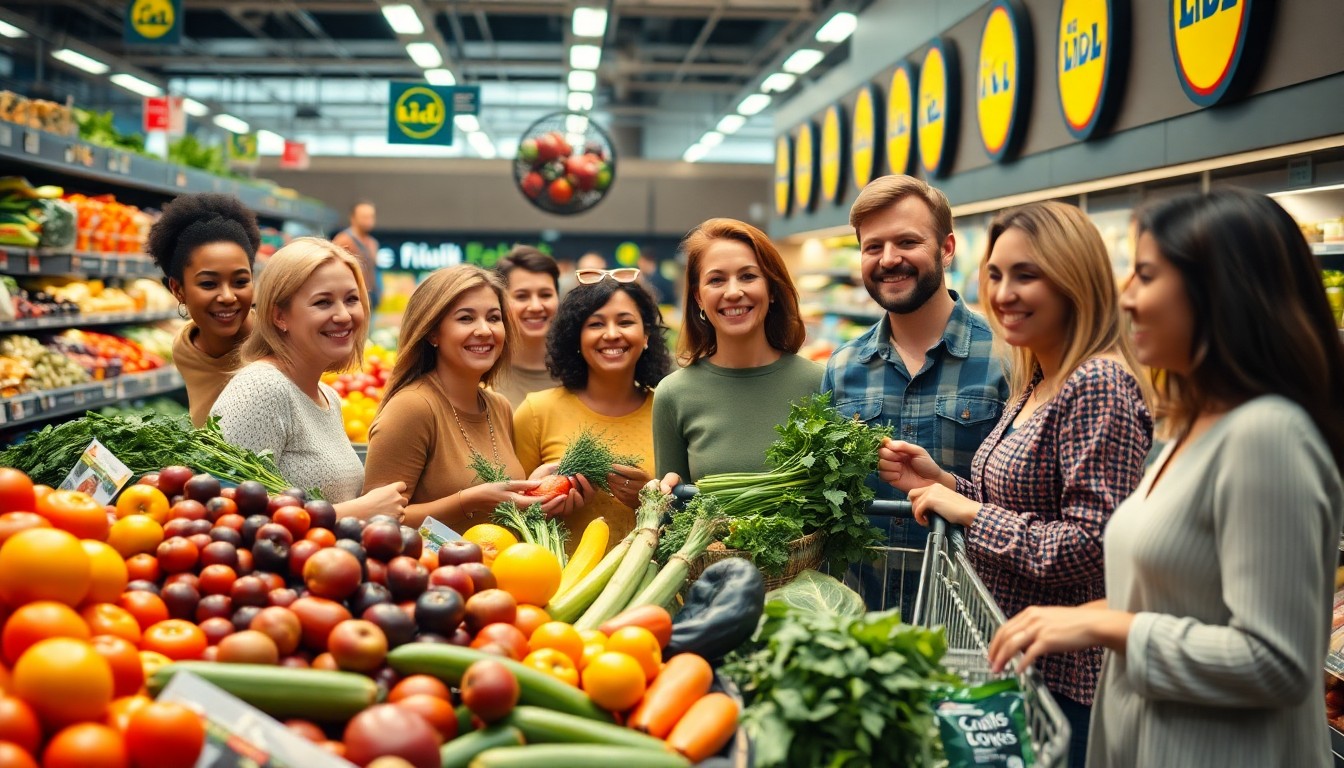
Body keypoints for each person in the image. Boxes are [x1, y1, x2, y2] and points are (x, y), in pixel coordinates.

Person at [988, 189, 1344, 768]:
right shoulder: (1193, 427)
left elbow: (1277, 663)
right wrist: (1095, 617)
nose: (1125, 298)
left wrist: (1107, 627)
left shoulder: (1267, 435)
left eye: (1146, 275)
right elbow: (1183, 598)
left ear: (1219, 291)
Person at [879, 201, 1153, 766]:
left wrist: (970, 515)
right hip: (1016, 662)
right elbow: (1026, 503)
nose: (1004, 293)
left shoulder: (1098, 383)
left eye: (1027, 275)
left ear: (1074, 278)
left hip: (1068, 686)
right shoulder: (1037, 378)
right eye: (997, 275)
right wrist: (948, 483)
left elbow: (1093, 549)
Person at [822, 174, 1008, 613]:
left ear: (946, 249)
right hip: (864, 625)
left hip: (969, 623)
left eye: (907, 242)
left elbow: (1023, 505)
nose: (889, 259)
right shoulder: (843, 367)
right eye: (873, 247)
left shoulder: (1007, 359)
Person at [363, 265, 582, 531]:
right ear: (433, 332)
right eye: (466, 318)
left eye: (493, 318)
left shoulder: (498, 406)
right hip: (432, 571)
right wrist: (468, 501)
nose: (484, 330)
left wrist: (535, 492)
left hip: (498, 567)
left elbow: (494, 508)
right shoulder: (412, 407)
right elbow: (377, 521)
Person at [211, 238, 407, 519]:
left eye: (351, 299)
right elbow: (227, 514)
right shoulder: (261, 388)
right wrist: (359, 511)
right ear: (280, 315)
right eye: (323, 302)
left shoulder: (329, 398)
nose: (343, 315)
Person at [652, 218, 821, 487]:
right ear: (699, 298)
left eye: (748, 276)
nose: (733, 292)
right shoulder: (673, 394)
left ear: (772, 290)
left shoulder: (820, 383)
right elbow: (671, 512)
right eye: (717, 280)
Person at [514, 273, 673, 550]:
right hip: (557, 586)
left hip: (654, 586)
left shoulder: (669, 409)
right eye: (596, 324)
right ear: (576, 338)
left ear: (646, 335)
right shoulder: (536, 412)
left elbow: (694, 513)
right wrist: (539, 504)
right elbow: (507, 515)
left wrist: (651, 502)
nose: (611, 334)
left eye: (625, 322)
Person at [146, 193, 261, 427]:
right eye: (209, 283)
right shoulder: (185, 348)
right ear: (178, 289)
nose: (228, 297)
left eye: (240, 282)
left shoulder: (275, 341)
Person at [493, 246, 562, 408]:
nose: (536, 307)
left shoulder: (580, 372)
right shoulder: (483, 374)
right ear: (500, 302)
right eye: (522, 296)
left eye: (545, 295)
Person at [332, 200, 380, 313]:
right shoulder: (343, 240)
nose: (368, 220)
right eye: (364, 216)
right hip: (352, 300)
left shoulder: (373, 243)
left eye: (371, 216)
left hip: (371, 298)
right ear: (353, 218)